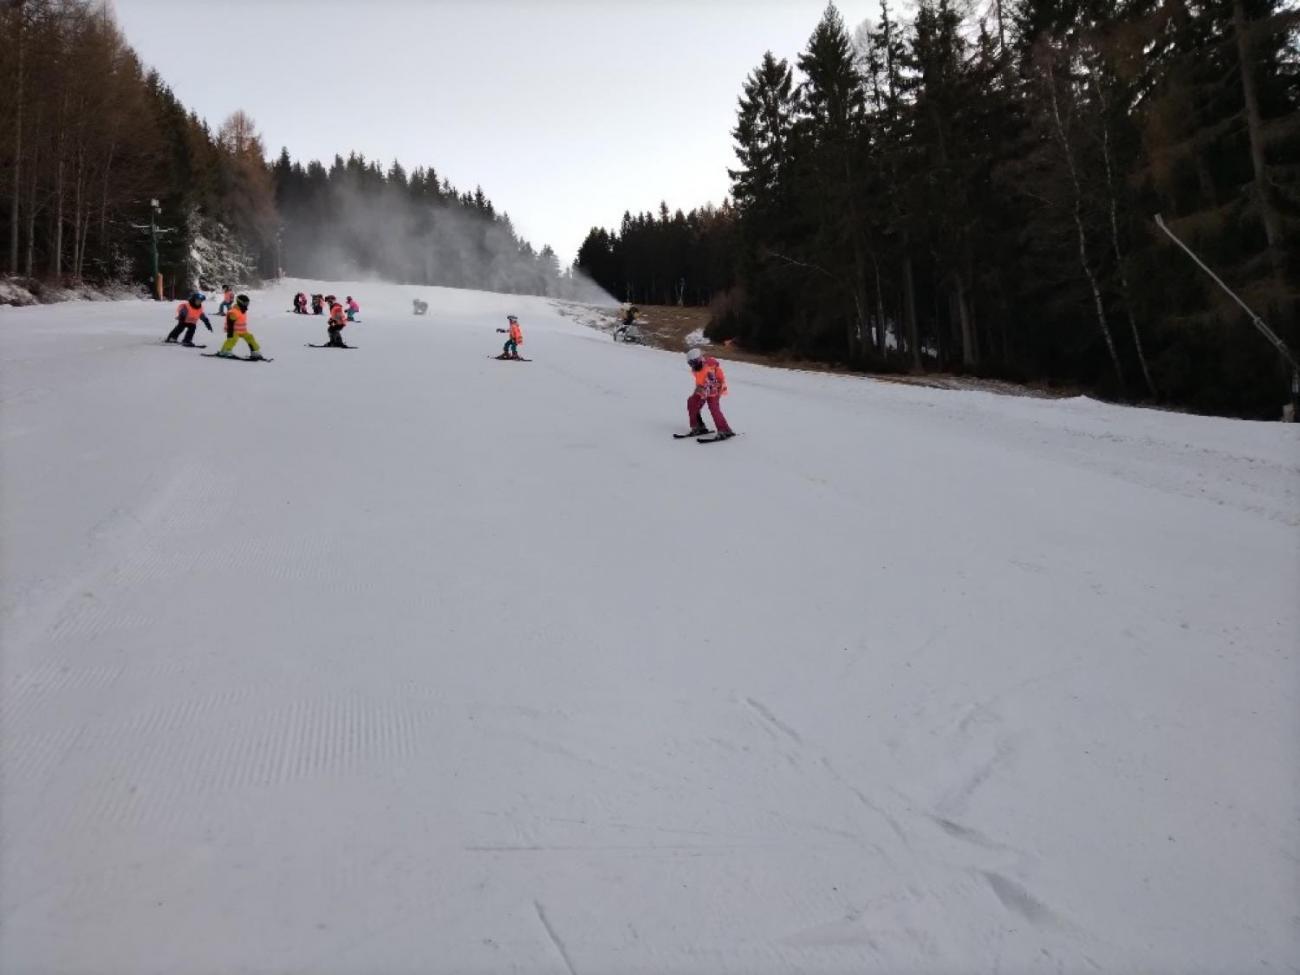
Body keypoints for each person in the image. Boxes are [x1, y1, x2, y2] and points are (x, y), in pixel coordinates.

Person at [682, 347, 734, 439]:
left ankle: (725, 430)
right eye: (690, 364)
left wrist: (701, 395)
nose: (692, 366)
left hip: (715, 388)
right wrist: (696, 393)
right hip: (704, 388)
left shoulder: (709, 369)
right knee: (692, 403)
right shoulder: (696, 369)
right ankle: (699, 426)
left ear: (699, 359)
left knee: (713, 408)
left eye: (694, 363)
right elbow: (700, 381)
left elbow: (711, 386)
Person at [215, 294, 265, 359]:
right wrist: (230, 334)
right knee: (233, 339)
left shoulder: (243, 310)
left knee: (250, 337)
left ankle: (254, 352)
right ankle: (225, 351)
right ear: (240, 302)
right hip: (233, 330)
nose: (247, 305)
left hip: (242, 331)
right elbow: (230, 323)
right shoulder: (234, 312)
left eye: (248, 303)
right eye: (245, 303)